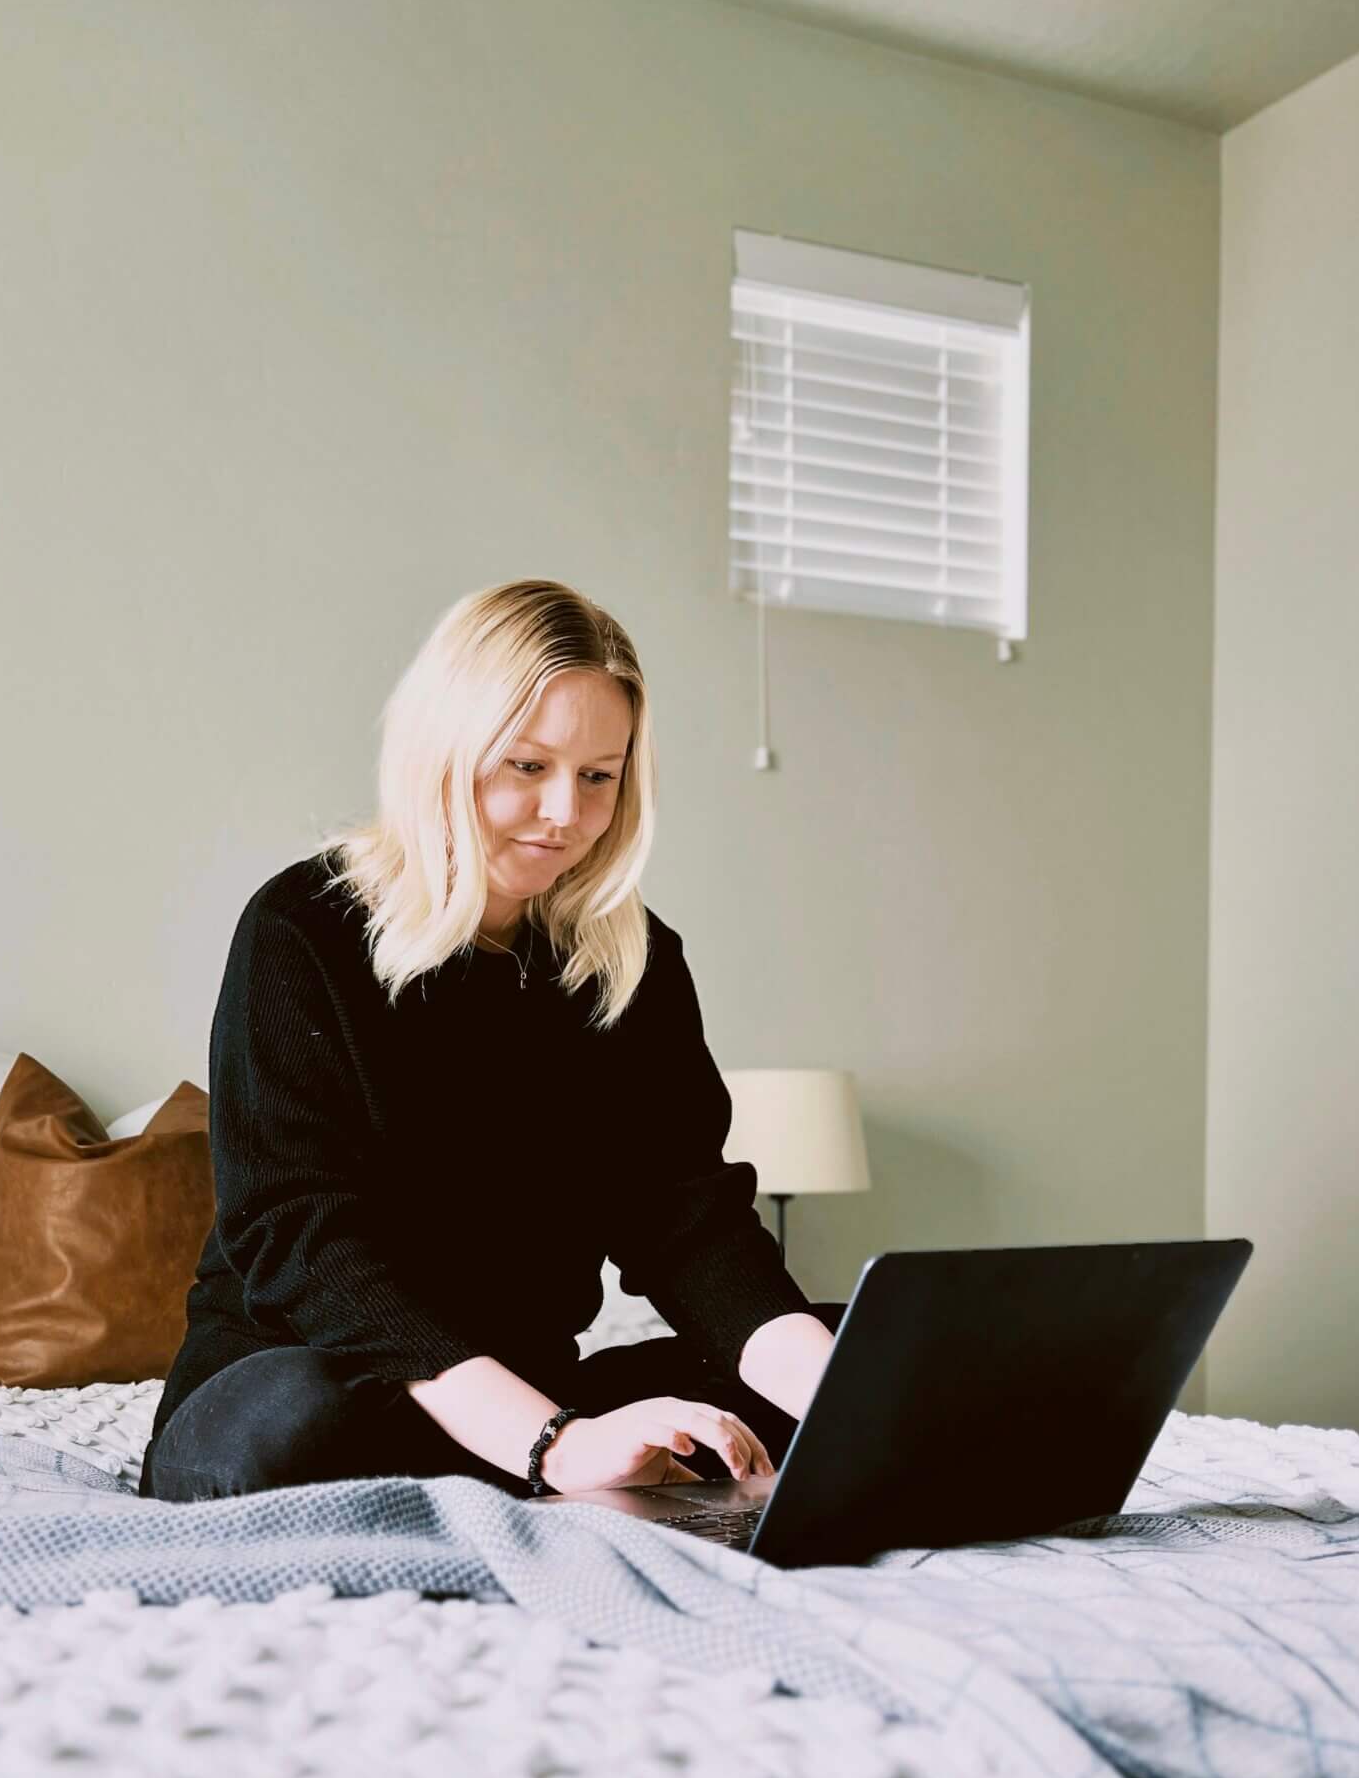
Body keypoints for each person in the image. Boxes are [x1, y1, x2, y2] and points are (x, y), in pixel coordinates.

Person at [139, 578, 842, 1506]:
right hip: (315, 1377)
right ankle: (549, 1469)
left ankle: (577, 1460)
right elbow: (305, 1241)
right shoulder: (301, 930)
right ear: (448, 750)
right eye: (527, 767)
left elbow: (687, 1221)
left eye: (599, 776)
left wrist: (833, 1390)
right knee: (302, 1414)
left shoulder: (634, 960)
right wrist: (551, 1444)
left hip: (532, 1392)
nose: (565, 813)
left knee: (847, 1351)